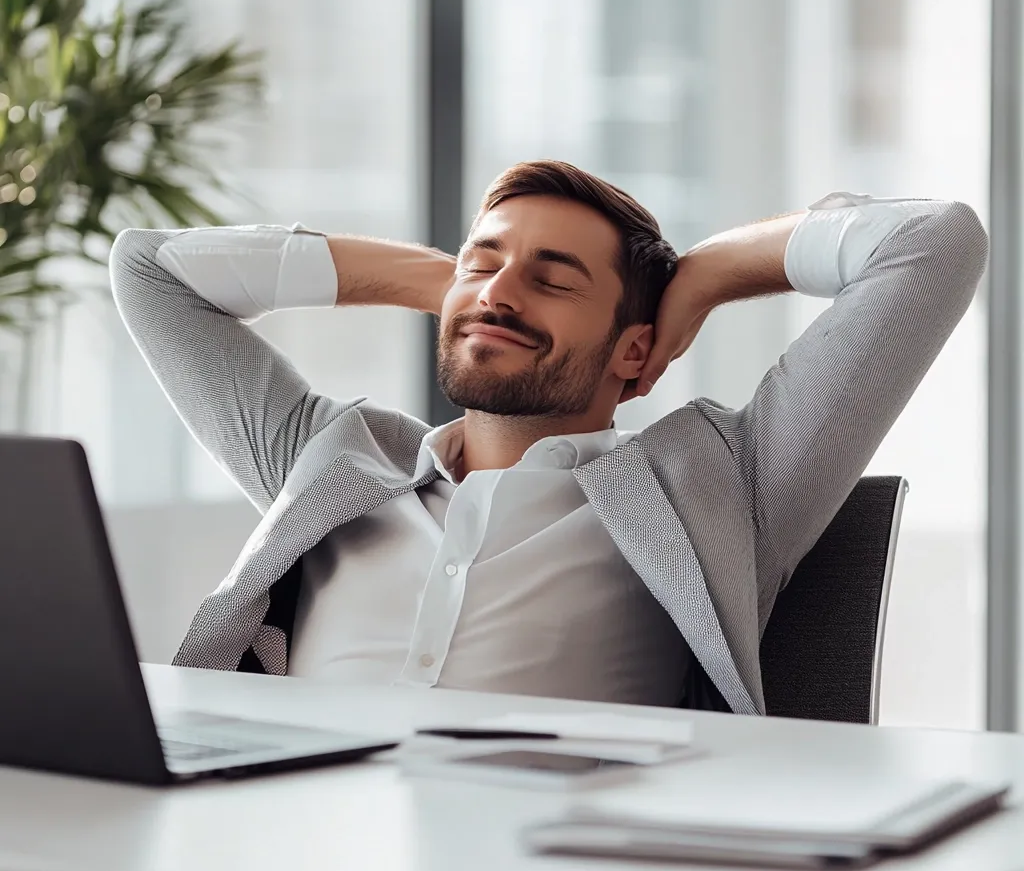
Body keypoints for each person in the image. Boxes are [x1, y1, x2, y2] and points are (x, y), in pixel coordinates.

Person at [110, 160, 988, 714]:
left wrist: (708, 273)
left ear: (636, 347)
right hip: (283, 843)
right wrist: (445, 281)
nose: (499, 293)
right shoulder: (334, 460)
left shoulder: (723, 484)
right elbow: (147, 269)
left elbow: (933, 242)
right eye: (484, 263)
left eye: (553, 280)